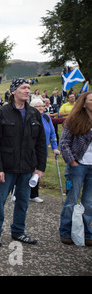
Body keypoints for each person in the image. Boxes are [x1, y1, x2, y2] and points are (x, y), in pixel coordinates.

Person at [0, 78, 47, 247]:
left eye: (29, 88)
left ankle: (18, 231)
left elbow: (41, 143)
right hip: (6, 168)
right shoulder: (2, 113)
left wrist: (40, 168)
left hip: (27, 168)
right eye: (23, 88)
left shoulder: (34, 113)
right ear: (13, 91)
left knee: (23, 202)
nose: (27, 90)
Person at [59, 91, 92, 246]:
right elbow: (64, 143)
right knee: (71, 200)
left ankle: (85, 232)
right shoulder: (74, 120)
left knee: (89, 203)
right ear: (84, 103)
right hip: (77, 167)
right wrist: (72, 162)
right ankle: (65, 231)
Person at [30, 99, 60, 203]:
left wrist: (55, 147)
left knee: (38, 171)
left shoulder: (46, 117)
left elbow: (52, 133)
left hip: (42, 150)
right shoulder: (30, 117)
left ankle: (33, 194)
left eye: (42, 106)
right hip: (30, 150)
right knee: (27, 171)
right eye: (38, 106)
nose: (41, 108)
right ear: (32, 107)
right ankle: (18, 193)